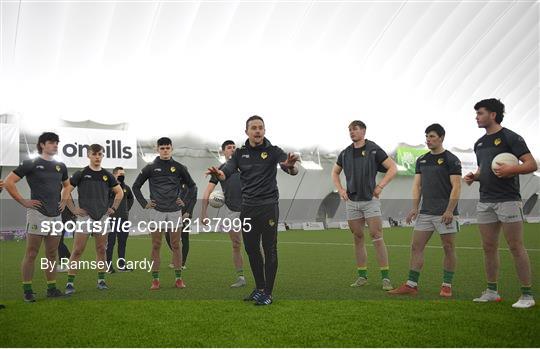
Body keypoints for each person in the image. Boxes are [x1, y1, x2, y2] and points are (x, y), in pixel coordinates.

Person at [207, 115, 299, 305]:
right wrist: (219, 173)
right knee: (251, 249)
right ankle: (259, 288)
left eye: (260, 127)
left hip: (268, 206)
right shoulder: (240, 153)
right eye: (254, 128)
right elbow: (228, 171)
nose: (257, 131)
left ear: (264, 131)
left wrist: (291, 167)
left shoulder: (273, 151)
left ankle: (268, 293)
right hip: (247, 208)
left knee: (269, 248)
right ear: (246, 131)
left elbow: (291, 168)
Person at [464, 98, 537, 308]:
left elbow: (531, 164)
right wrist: (474, 177)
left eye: (480, 113)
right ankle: (492, 291)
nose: (476, 117)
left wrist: (511, 170)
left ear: (493, 115)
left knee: (515, 246)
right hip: (485, 200)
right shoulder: (479, 143)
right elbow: (483, 170)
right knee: (488, 247)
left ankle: (527, 295)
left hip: (508, 200)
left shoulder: (510, 137)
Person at [388, 123, 461, 297]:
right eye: (427, 136)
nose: (428, 140)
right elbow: (417, 186)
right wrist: (415, 208)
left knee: (448, 248)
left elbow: (456, 186)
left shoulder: (452, 159)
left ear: (442, 138)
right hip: (426, 213)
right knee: (416, 247)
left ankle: (446, 285)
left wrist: (450, 209)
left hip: (446, 214)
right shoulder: (422, 160)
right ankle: (411, 285)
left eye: (432, 136)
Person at [331, 120, 397, 290]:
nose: (352, 132)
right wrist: (340, 190)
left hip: (370, 201)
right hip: (352, 202)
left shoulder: (373, 149)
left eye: (355, 129)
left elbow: (392, 168)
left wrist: (380, 186)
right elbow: (335, 172)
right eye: (350, 130)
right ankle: (362, 276)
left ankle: (385, 278)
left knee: (377, 236)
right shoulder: (345, 153)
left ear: (364, 131)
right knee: (358, 238)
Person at [3, 132, 69, 302]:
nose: (55, 145)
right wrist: (23, 201)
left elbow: (67, 185)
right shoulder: (30, 163)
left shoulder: (61, 166)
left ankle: (52, 288)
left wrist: (64, 200)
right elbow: (9, 182)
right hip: (37, 214)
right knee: (32, 253)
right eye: (52, 142)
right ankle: (27, 290)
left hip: (55, 215)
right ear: (42, 145)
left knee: (52, 253)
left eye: (57, 143)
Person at [133, 137, 196, 290]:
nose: (165, 150)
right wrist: (145, 203)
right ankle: (155, 280)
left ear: (171, 149)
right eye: (162, 148)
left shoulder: (179, 167)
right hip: (156, 211)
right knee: (156, 245)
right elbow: (135, 186)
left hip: (175, 211)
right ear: (157, 149)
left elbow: (193, 186)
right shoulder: (150, 167)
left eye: (168, 148)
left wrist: (184, 201)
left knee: (176, 245)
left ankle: (179, 279)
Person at [61, 144, 124, 294]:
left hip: (102, 218)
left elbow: (119, 193)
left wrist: (113, 208)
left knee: (101, 249)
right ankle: (70, 283)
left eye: (100, 154)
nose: (97, 157)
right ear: (89, 155)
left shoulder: (107, 175)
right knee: (77, 250)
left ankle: (101, 281)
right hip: (85, 218)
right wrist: (73, 209)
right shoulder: (81, 173)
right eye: (94, 154)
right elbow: (66, 191)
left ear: (102, 156)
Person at [201, 140, 246, 288]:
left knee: (256, 245)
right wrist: (204, 212)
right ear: (223, 152)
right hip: (232, 211)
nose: (232, 149)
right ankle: (240, 277)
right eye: (229, 148)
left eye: (234, 147)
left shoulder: (245, 165)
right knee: (236, 244)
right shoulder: (220, 169)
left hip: (251, 208)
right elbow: (207, 191)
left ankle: (264, 277)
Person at [106, 166, 134, 273]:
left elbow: (131, 199)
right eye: (120, 174)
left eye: (123, 174)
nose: (122, 176)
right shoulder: (108, 187)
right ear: (114, 175)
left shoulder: (126, 187)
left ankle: (121, 266)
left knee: (122, 243)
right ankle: (108, 267)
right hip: (111, 219)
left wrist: (127, 209)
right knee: (110, 243)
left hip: (124, 219)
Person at [166, 182, 197, 269]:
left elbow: (193, 200)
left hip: (185, 215)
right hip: (173, 214)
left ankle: (182, 263)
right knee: (168, 236)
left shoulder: (193, 187)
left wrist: (188, 212)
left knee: (184, 238)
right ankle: (177, 255)